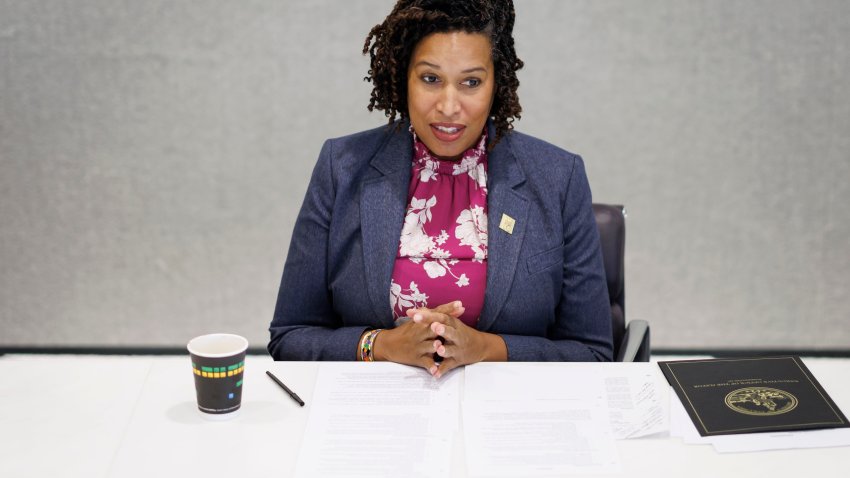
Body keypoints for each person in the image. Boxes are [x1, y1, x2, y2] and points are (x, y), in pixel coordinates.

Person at [268, 0, 612, 377]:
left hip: (507, 416)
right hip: (374, 411)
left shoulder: (557, 176)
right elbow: (290, 335)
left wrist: (485, 348)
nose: (449, 106)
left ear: (496, 83)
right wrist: (381, 345)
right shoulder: (342, 166)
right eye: (431, 79)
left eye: (471, 82)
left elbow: (592, 352)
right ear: (404, 78)